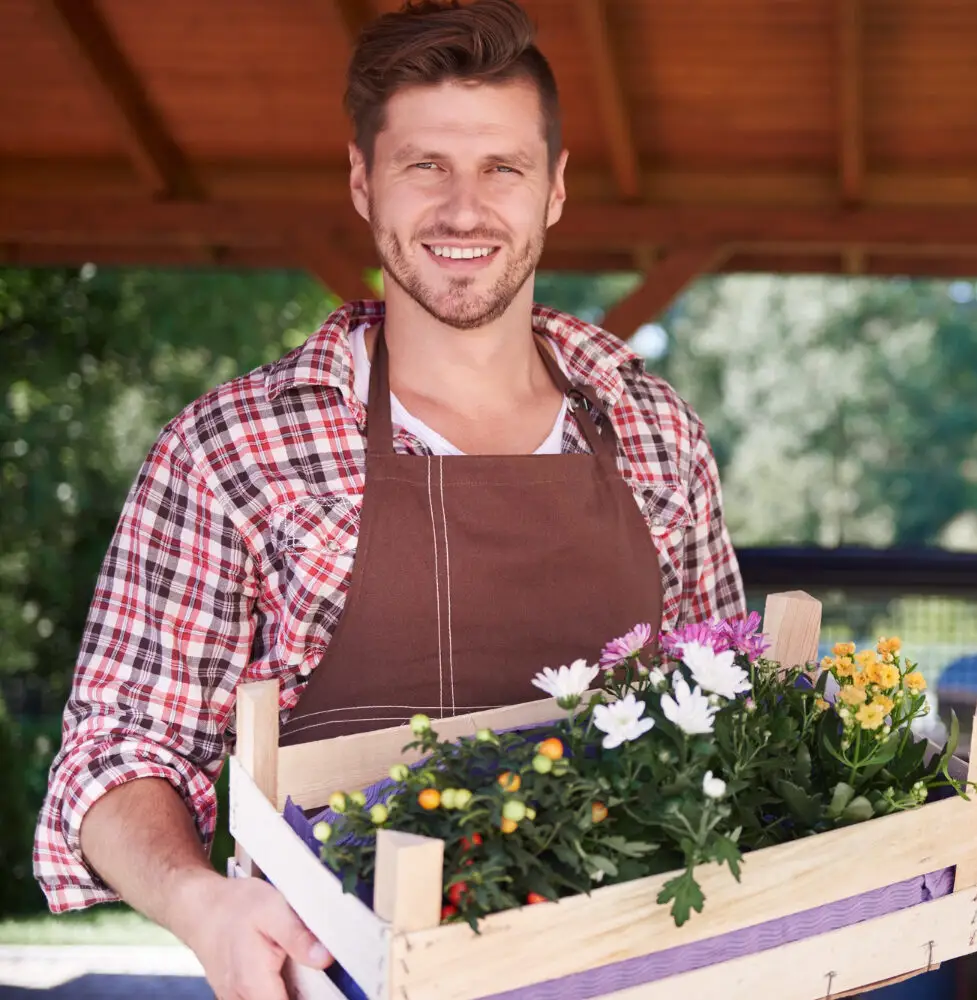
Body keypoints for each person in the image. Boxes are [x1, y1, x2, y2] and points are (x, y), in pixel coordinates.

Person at [32, 1, 745, 996]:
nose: (464, 209)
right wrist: (207, 905)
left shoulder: (652, 432)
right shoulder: (236, 451)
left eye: (503, 167)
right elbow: (117, 750)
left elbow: (722, 709)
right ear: (364, 182)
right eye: (425, 167)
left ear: (555, 189)